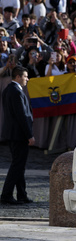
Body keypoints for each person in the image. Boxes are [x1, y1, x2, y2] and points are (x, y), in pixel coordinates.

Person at [1, 66, 35, 204]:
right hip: (19, 135)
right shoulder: (16, 91)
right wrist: (29, 135)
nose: (27, 79)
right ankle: (6, 195)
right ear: (18, 77)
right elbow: (22, 116)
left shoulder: (9, 89)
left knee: (19, 165)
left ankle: (22, 194)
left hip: (13, 134)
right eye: (25, 76)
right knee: (17, 165)